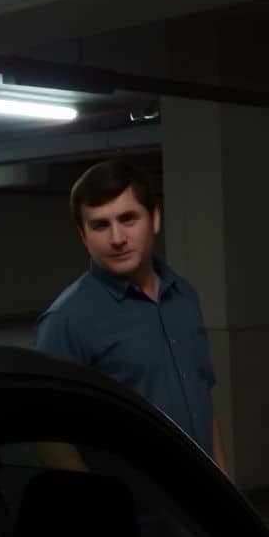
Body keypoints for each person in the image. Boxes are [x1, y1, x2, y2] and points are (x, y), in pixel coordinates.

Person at [33, 159, 227, 473]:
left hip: (198, 503)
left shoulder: (184, 296)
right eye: (100, 225)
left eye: (128, 218)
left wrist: (222, 479)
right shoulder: (65, 320)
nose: (117, 238)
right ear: (83, 235)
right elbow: (48, 433)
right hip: (133, 512)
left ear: (155, 219)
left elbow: (203, 395)